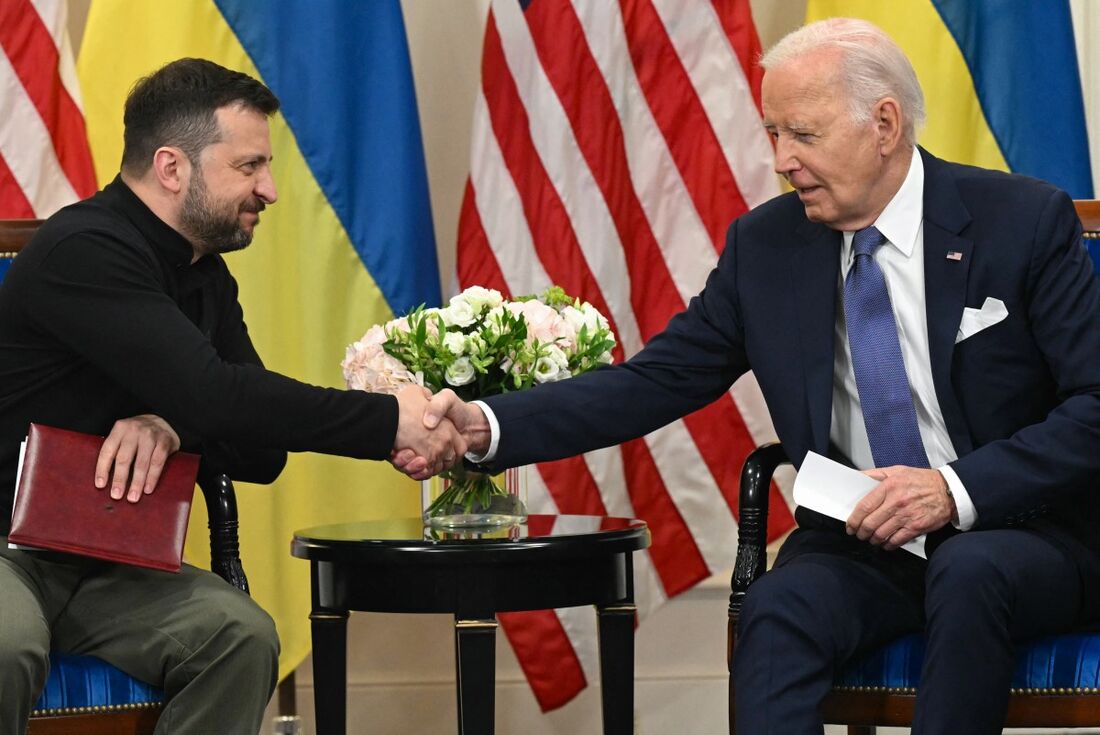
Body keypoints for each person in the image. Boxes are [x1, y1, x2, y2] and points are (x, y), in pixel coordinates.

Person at [397, 18, 1100, 734]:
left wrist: (951, 491)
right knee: (779, 607)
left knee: (970, 572)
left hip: (1020, 533)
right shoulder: (766, 247)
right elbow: (651, 382)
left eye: (803, 134)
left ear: (884, 124)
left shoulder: (1021, 221)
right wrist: (488, 425)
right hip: (863, 544)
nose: (780, 160)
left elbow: (1094, 405)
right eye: (771, 134)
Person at [0, 58, 465, 735]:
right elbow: (221, 397)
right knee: (8, 644)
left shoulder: (205, 276)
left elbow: (258, 448)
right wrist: (390, 419)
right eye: (249, 166)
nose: (270, 189)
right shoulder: (85, 248)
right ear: (171, 167)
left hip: (103, 568)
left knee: (240, 635)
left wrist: (167, 421)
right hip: (6, 552)